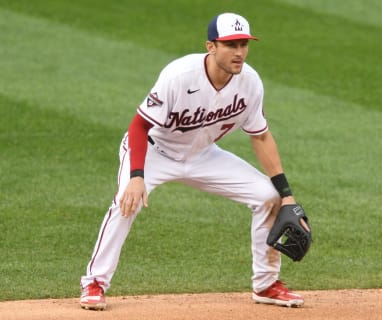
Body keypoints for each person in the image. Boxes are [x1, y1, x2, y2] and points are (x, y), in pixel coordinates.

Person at [80, 12, 307, 311]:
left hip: (202, 155)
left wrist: (286, 193)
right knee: (126, 201)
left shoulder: (250, 82)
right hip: (153, 152)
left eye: (243, 44)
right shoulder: (179, 75)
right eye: (230, 45)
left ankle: (266, 284)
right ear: (211, 46)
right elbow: (139, 126)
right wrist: (137, 176)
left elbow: (261, 137)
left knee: (268, 196)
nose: (239, 52)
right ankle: (94, 283)